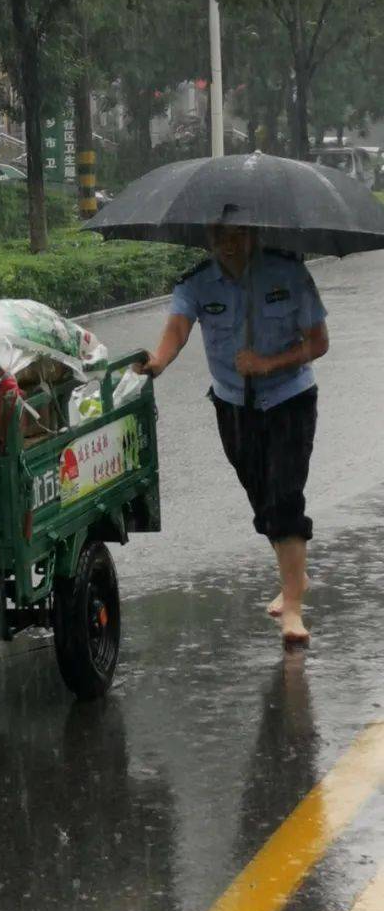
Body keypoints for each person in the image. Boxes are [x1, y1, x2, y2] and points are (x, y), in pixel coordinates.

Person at [137, 221, 328, 647]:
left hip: (289, 398)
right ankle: (294, 574)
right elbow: (178, 329)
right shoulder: (197, 283)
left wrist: (268, 363)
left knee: (284, 497)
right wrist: (158, 361)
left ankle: (293, 608)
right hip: (232, 404)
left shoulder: (289, 273)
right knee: (261, 498)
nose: (229, 242)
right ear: (207, 238)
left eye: (238, 233)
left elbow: (318, 343)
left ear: (255, 234)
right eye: (219, 234)